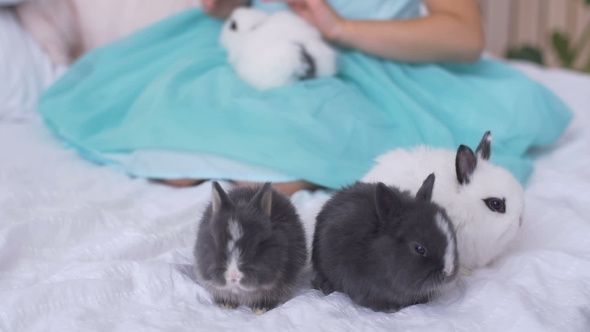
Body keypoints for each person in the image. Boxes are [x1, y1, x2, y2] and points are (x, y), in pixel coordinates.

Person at [37, 0, 572, 196]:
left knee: (326, 129)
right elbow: (217, 9)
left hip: (373, 59)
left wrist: (340, 26)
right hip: (260, 43)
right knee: (163, 109)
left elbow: (465, 35)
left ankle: (274, 173)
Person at [165, 0, 485, 194]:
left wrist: (341, 28)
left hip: (374, 67)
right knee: (171, 144)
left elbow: (466, 36)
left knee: (270, 169)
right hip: (251, 47)